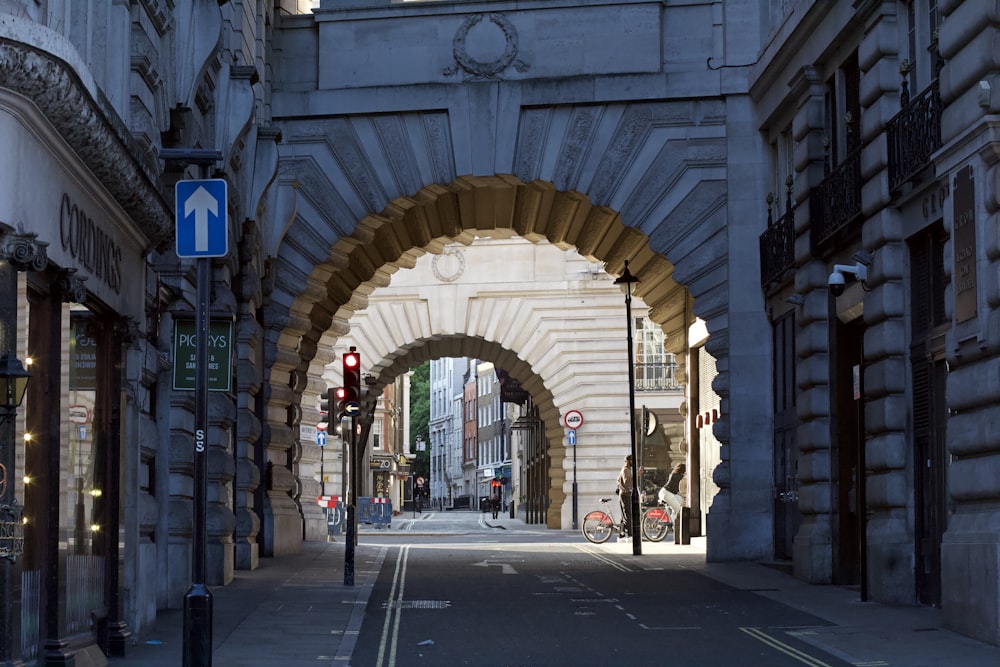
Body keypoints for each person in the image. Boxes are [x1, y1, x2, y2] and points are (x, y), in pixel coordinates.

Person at [616, 455, 643, 539]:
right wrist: (637, 475)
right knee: (628, 515)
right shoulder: (625, 470)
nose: (633, 462)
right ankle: (630, 534)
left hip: (625, 494)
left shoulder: (627, 469)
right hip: (625, 495)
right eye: (632, 460)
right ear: (628, 461)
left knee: (625, 515)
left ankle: (622, 533)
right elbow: (627, 482)